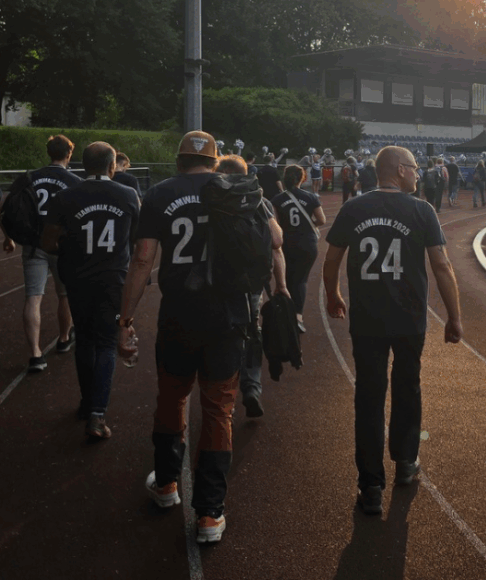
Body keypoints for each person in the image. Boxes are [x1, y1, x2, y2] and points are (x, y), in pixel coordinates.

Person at [117, 131, 281, 545]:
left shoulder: (160, 193)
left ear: (178, 160)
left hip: (180, 313)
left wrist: (126, 316)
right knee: (219, 408)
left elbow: (142, 258)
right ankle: (210, 513)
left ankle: (168, 485)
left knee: (172, 397)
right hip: (227, 314)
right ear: (214, 161)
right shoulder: (239, 189)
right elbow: (277, 239)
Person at [322, 145, 463, 516]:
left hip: (367, 319)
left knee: (368, 397)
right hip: (409, 319)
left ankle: (370, 485)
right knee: (407, 387)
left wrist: (332, 294)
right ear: (400, 170)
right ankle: (405, 462)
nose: (418, 174)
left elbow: (333, 256)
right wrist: (454, 316)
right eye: (414, 168)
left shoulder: (354, 208)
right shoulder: (421, 210)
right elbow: (442, 266)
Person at [39, 142, 140, 438]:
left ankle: (86, 403)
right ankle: (97, 413)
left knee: (84, 340)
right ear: (112, 166)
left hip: (78, 277)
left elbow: (47, 243)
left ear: (83, 166)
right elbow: (136, 241)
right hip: (113, 279)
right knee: (107, 343)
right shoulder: (129, 194)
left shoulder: (65, 197)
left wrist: (70, 248)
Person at [216, 155, 289, 419]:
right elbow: (277, 241)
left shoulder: (213, 197)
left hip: (219, 279)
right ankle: (252, 387)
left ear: (222, 172)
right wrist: (281, 285)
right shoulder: (260, 199)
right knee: (252, 330)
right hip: (253, 280)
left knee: (222, 334)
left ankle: (223, 391)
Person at [2, 134, 80, 372]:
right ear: (69, 154)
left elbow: (7, 210)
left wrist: (9, 237)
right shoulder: (75, 181)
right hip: (61, 246)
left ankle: (36, 354)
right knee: (65, 294)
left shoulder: (29, 178)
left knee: (33, 297)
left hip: (34, 245)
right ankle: (64, 338)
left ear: (48, 152)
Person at [271, 165, 326, 334]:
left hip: (287, 243)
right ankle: (298, 317)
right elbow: (322, 220)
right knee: (301, 280)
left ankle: (282, 316)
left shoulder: (277, 199)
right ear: (302, 178)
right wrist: (307, 226)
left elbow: (276, 225)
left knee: (285, 280)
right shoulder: (310, 197)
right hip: (307, 244)